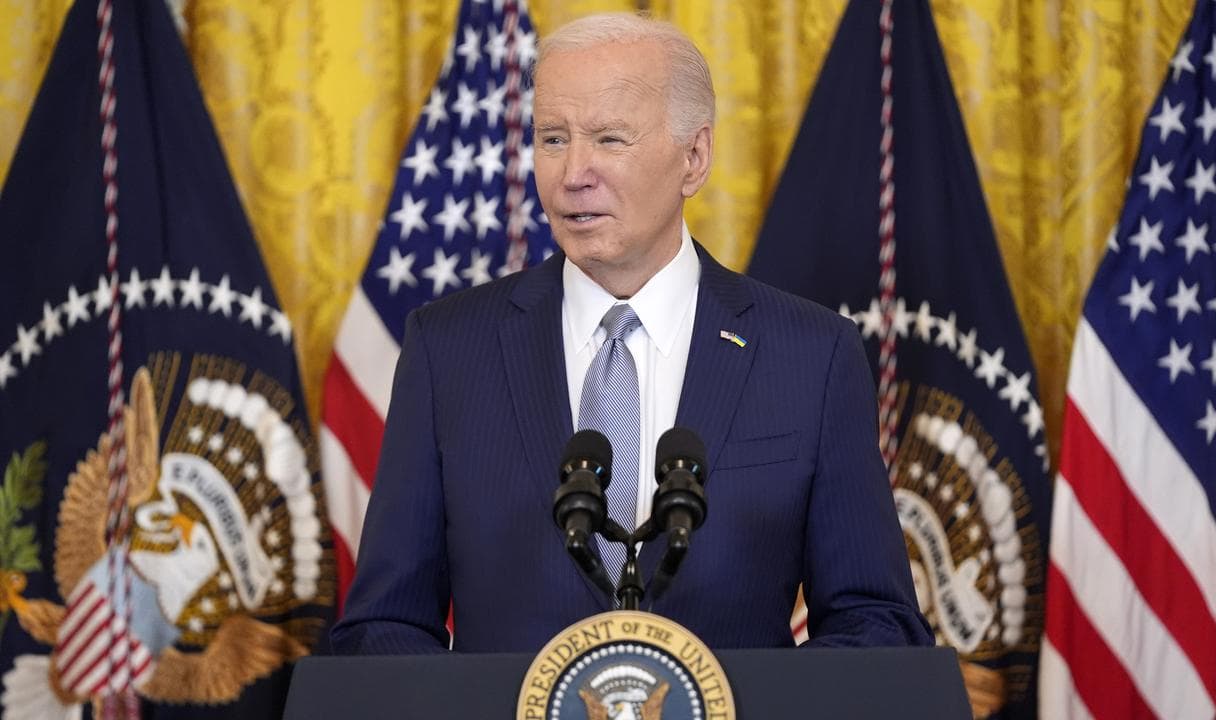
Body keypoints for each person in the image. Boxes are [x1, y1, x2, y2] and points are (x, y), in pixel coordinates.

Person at [330, 13, 931, 654]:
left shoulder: (813, 355)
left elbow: (877, 624)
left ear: (693, 159)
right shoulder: (447, 350)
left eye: (610, 139)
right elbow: (383, 628)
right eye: (553, 139)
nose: (573, 174)